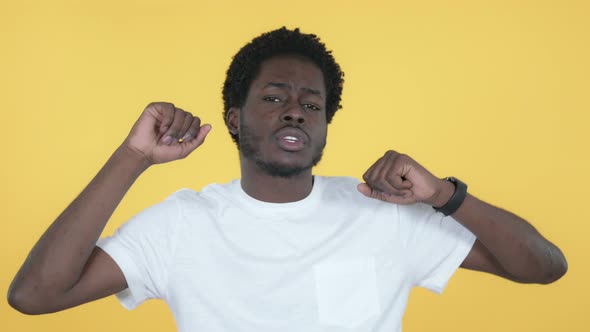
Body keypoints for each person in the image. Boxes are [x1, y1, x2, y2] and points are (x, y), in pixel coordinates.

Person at [8, 27, 567, 331]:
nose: (295, 111)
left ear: (324, 123)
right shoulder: (181, 223)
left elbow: (544, 267)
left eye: (312, 104)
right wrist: (133, 156)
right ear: (235, 119)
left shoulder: (382, 212)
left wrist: (445, 195)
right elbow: (34, 297)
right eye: (274, 98)